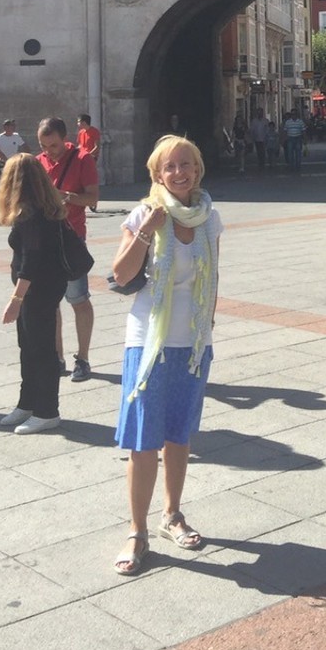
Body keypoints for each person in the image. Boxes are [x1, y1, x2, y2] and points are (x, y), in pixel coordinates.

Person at [110, 136, 221, 576]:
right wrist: (147, 230)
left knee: (179, 435)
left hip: (191, 343)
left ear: (198, 170)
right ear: (157, 174)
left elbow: (213, 278)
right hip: (147, 340)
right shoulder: (144, 214)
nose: (179, 172)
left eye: (187, 164)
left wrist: (206, 332)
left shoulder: (210, 219)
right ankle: (136, 531)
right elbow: (120, 273)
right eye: (170, 166)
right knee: (143, 441)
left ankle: (172, 514)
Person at [0, 154, 69, 435]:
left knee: (41, 349)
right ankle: (28, 402)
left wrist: (16, 300)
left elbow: (30, 261)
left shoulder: (30, 213)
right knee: (29, 346)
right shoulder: (42, 207)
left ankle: (47, 410)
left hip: (38, 290)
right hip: (43, 287)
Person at [36, 118, 99, 381]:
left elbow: (93, 198)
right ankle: (57, 358)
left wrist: (66, 196)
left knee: (78, 299)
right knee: (50, 304)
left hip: (72, 239)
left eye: (53, 145)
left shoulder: (83, 159)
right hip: (45, 239)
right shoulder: (38, 161)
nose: (49, 150)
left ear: (65, 139)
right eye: (43, 145)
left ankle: (82, 359)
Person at [283, 108, 305, 173]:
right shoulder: (288, 122)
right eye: (292, 114)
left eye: (295, 114)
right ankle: (291, 166)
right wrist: (284, 139)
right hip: (290, 138)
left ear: (297, 115)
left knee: (298, 154)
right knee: (290, 154)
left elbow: (303, 130)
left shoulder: (300, 121)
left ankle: (298, 166)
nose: (293, 115)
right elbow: (285, 131)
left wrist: (305, 139)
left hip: (298, 138)